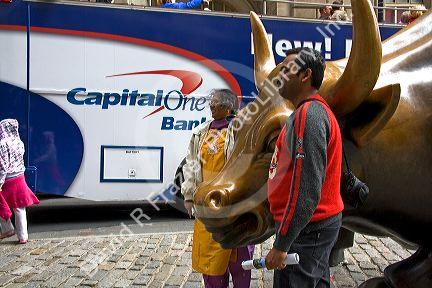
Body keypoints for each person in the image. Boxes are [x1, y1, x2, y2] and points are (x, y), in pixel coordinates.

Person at [265, 48, 344, 287]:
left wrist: (281, 244)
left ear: (305, 75)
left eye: (286, 69)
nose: (279, 74)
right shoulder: (308, 112)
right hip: (311, 229)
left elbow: (307, 189)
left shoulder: (309, 115)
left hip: (308, 231)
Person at [182, 89, 254, 288]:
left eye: (215, 103)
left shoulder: (243, 130)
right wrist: (188, 196)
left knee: (240, 263)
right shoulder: (200, 133)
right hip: (208, 209)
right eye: (211, 103)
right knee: (211, 263)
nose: (211, 106)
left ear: (228, 107)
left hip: (237, 209)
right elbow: (191, 165)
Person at [0, 119, 40, 244]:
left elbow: (3, 165)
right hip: (20, 178)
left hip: (8, 179)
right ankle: (23, 236)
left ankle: (7, 229)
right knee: (19, 207)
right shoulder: (19, 142)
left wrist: (0, 181)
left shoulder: (2, 144)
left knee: (2, 204)